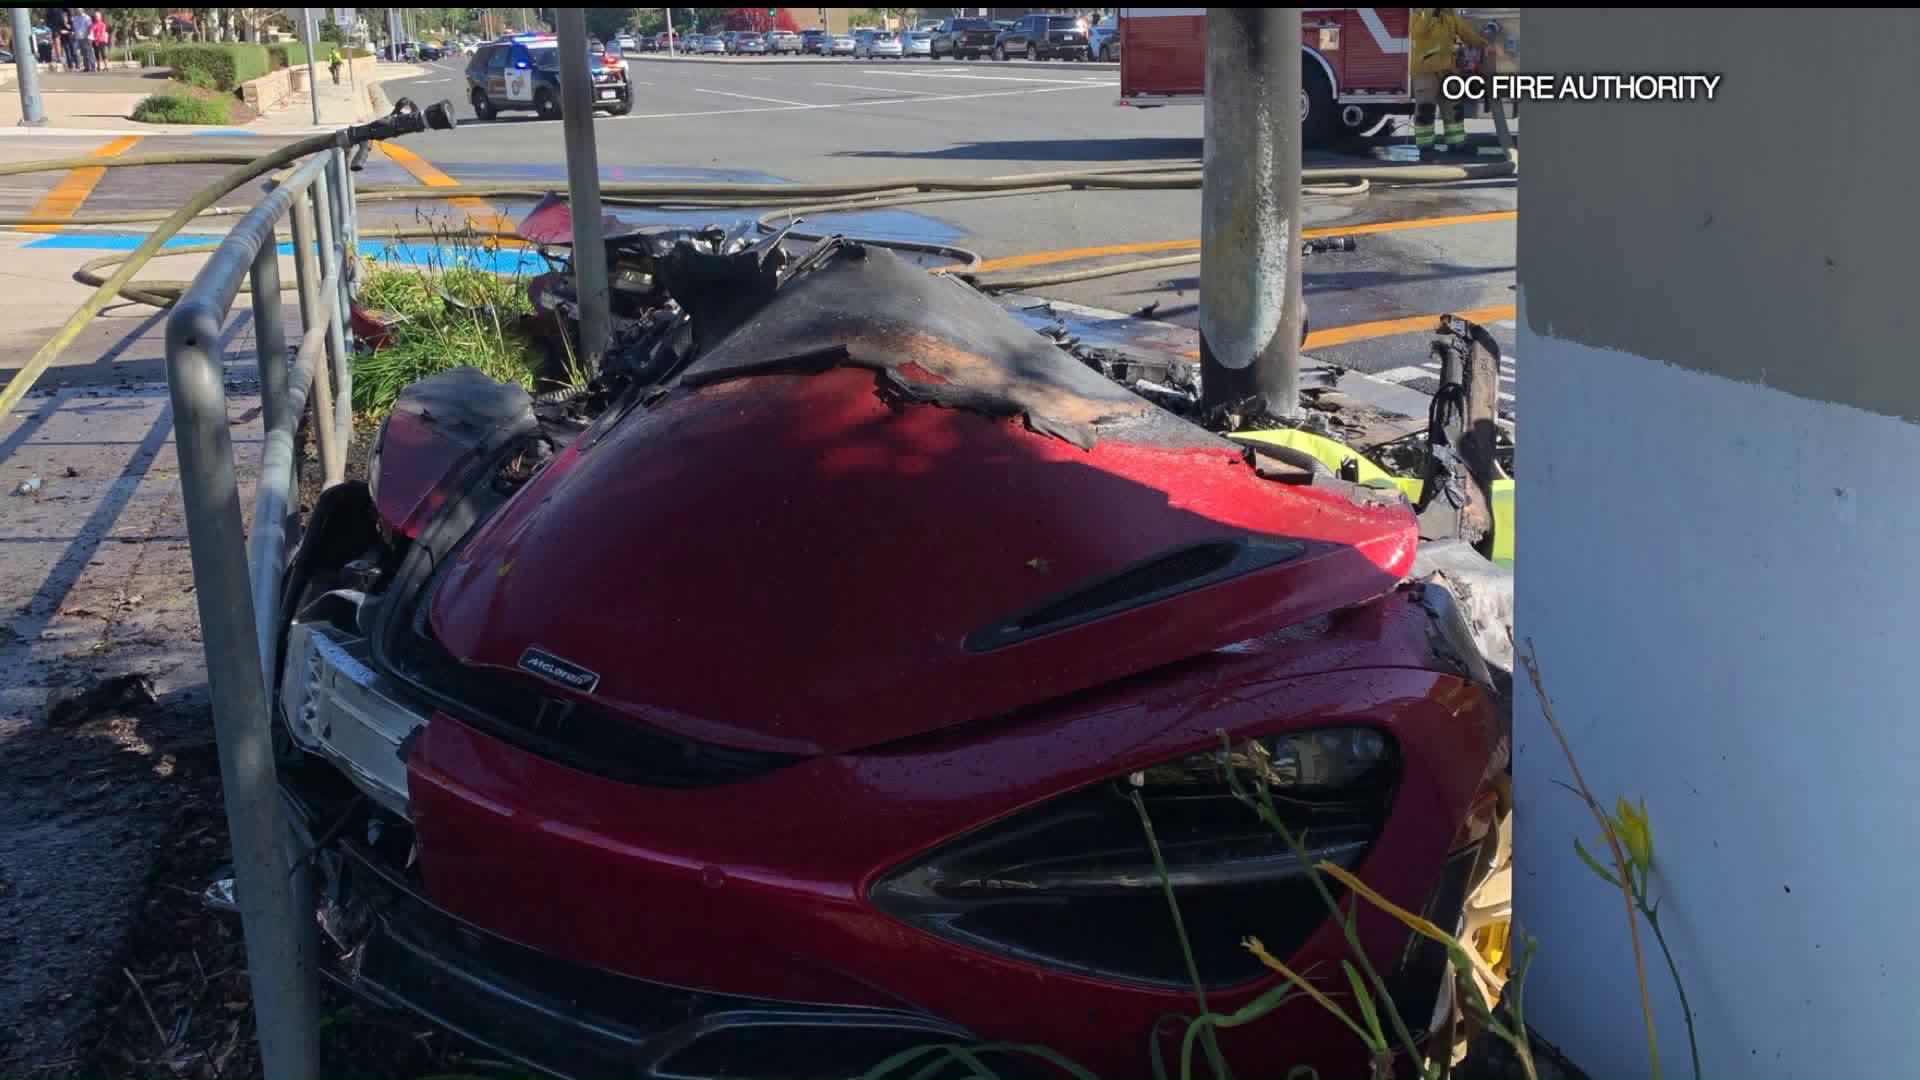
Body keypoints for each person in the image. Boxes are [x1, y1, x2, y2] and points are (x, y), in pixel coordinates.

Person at [1409, 8, 1486, 159]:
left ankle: (1457, 144)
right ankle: (1426, 149)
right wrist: (1431, 11)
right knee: (1425, 109)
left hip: (1447, 70)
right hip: (1426, 71)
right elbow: (1417, 31)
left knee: (1453, 108)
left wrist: (1484, 43)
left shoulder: (1450, 14)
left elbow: (1466, 33)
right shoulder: (1419, 13)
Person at [45, 7, 71, 71]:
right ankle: (59, 58)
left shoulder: (63, 9)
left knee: (67, 46)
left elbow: (67, 14)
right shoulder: (50, 9)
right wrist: (50, 25)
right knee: (56, 42)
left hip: (64, 27)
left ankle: (69, 62)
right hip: (55, 27)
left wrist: (67, 23)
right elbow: (47, 18)